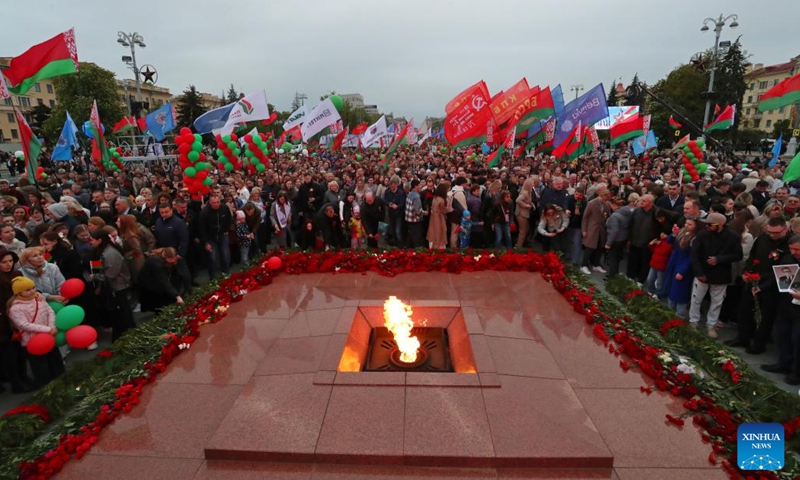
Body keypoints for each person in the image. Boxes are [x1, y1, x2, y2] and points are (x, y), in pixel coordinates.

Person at [689, 212, 744, 339]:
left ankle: (711, 325)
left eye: (710, 225)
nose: (707, 227)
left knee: (717, 302)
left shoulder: (733, 237)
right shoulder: (702, 235)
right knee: (696, 299)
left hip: (721, 274)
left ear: (720, 225)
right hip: (702, 273)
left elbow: (738, 255)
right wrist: (699, 273)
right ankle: (693, 321)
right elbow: (694, 255)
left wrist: (719, 259)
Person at [8, 276, 64, 388]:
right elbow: (24, 325)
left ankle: (62, 381)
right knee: (40, 367)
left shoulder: (39, 299)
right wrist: (48, 329)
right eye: (27, 290)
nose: (32, 291)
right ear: (19, 292)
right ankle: (47, 388)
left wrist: (51, 326)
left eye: (33, 288)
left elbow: (50, 312)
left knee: (55, 361)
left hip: (48, 337)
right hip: (32, 342)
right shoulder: (15, 308)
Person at [760, 235, 800, 385]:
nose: (794, 252)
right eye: (791, 249)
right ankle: (784, 363)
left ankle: (796, 371)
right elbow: (779, 278)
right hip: (785, 305)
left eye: (797, 249)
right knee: (782, 335)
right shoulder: (788, 259)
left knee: (797, 339)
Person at [89, 228, 136, 341]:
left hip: (118, 287)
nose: (90, 242)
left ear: (99, 240)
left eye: (92, 240)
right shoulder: (102, 251)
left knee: (122, 313)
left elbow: (111, 275)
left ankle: (128, 336)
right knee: (117, 314)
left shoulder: (110, 253)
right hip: (111, 286)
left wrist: (94, 277)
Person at [0, 248, 32, 393]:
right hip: (3, 321)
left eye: (11, 261)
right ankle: (16, 383)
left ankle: (23, 376)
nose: (8, 264)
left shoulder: (16, 274)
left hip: (18, 316)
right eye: (4, 262)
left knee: (21, 351)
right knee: (9, 354)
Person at [663, 218, 698, 318]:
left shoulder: (695, 238)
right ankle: (669, 313)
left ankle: (679, 316)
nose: (686, 225)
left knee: (680, 293)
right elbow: (669, 241)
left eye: (690, 224)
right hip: (674, 263)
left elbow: (691, 258)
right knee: (671, 289)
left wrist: (682, 271)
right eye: (686, 223)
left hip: (683, 267)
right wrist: (674, 234)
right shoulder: (681, 232)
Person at [137, 247, 190, 312]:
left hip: (156, 281)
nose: (173, 261)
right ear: (166, 257)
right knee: (159, 303)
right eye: (171, 259)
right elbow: (163, 281)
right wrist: (177, 296)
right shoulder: (156, 263)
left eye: (174, 259)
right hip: (149, 284)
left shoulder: (166, 258)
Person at [198, 195, 232, 278]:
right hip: (210, 237)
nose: (216, 204)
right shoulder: (204, 213)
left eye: (218, 202)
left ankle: (226, 272)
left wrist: (227, 229)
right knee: (212, 257)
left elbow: (229, 219)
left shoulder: (224, 208)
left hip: (222, 234)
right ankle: (213, 277)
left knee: (225, 254)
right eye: (214, 203)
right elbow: (201, 229)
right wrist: (206, 242)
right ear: (210, 202)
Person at [580, 187, 610, 275]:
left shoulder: (607, 204)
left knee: (599, 248)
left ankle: (596, 264)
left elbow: (608, 216)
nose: (605, 201)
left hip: (601, 229)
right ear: (601, 196)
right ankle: (583, 265)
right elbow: (585, 217)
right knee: (589, 248)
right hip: (592, 229)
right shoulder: (591, 203)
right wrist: (584, 230)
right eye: (604, 199)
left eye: (606, 200)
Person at [427, 182, 448, 250]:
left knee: (433, 234)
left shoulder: (435, 198)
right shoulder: (441, 200)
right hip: (439, 218)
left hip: (433, 218)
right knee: (440, 234)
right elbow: (444, 210)